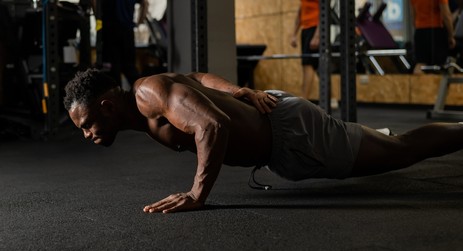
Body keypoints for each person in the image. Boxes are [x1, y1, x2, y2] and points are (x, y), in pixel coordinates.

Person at [64, 68, 463, 213]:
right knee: (377, 145)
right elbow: (199, 77)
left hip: (290, 134)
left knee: (400, 153)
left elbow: (213, 126)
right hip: (283, 143)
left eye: (86, 125)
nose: (86, 135)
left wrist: (197, 194)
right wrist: (238, 89)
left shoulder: (148, 94)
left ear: (106, 106)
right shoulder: (151, 93)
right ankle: (366, 139)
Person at [91, 0, 149, 86]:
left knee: (112, 71)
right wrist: (139, 22)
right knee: (129, 68)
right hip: (126, 31)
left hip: (109, 32)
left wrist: (98, 18)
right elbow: (145, 3)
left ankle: (118, 97)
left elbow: (94, 2)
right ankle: (141, 94)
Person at [410, 0, 456, 74]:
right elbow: (446, 15)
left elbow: (413, 16)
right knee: (438, 66)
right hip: (436, 30)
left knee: (420, 64)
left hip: (419, 31)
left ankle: (418, 84)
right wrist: (451, 35)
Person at [290, 0, 320, 100]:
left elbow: (324, 13)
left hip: (315, 28)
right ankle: (332, 97)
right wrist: (294, 34)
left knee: (309, 65)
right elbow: (301, 10)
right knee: (316, 67)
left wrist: (317, 35)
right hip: (306, 29)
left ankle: (304, 98)